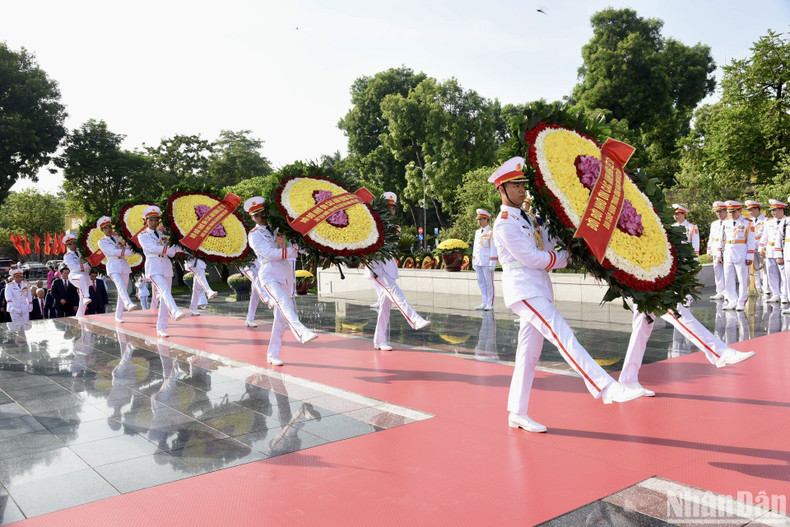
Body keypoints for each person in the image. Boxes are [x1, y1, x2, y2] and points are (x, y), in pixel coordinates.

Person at [489, 157, 644, 434]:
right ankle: (605, 386)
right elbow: (532, 258)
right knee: (563, 334)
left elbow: (547, 243)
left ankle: (517, 412)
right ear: (501, 188)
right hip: (524, 290)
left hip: (538, 290)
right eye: (516, 185)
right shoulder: (503, 224)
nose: (523, 189)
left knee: (528, 355)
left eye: (524, 184)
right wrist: (567, 257)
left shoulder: (527, 217)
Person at [620, 303, 755, 395]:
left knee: (642, 328)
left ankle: (629, 378)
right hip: (642, 280)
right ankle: (719, 352)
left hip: (647, 277)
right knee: (676, 313)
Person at [244, 196, 318, 366]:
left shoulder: (279, 229)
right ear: (252, 217)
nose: (260, 217)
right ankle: (301, 331)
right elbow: (270, 253)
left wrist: (310, 247)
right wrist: (291, 252)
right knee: (284, 303)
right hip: (269, 274)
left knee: (280, 318)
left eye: (262, 213)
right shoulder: (254, 235)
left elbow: (295, 245)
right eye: (256, 215)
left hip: (285, 275)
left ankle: (272, 354)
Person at [364, 192, 431, 351]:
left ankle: (379, 340)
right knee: (396, 292)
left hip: (387, 267)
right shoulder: (373, 224)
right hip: (377, 268)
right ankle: (414, 319)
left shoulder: (392, 227)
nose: (391, 211)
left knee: (385, 307)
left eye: (393, 208)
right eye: (388, 208)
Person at [138, 205, 187, 337]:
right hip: (153, 266)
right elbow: (153, 248)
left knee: (166, 296)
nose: (154, 223)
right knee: (164, 289)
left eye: (156, 220)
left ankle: (161, 327)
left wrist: (184, 248)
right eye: (151, 220)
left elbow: (171, 253)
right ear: (146, 221)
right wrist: (170, 250)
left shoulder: (163, 235)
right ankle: (175, 310)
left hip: (166, 265)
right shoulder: (143, 236)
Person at [96, 216, 139, 322]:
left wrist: (131, 248)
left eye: (110, 227)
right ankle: (128, 303)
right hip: (113, 265)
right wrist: (128, 252)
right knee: (120, 285)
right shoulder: (102, 241)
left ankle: (118, 315)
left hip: (123, 265)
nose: (109, 229)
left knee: (122, 289)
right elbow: (113, 251)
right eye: (105, 228)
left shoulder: (118, 238)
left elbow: (126, 247)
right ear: (102, 230)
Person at [718, 200, 756, 310]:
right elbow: (722, 240)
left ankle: (741, 301)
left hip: (741, 254)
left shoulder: (747, 223)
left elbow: (751, 241)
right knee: (728, 278)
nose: (731, 214)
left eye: (734, 211)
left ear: (740, 211)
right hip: (728, 254)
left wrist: (750, 256)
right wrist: (719, 254)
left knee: (743, 280)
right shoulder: (725, 223)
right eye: (730, 212)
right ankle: (732, 300)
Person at [760, 200, 787, 303]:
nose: (773, 213)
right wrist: (761, 248)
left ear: (781, 210)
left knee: (784, 274)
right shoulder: (769, 222)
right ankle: (775, 294)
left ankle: (784, 295)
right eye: (772, 210)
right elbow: (764, 236)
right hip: (770, 250)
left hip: (782, 250)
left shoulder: (787, 221)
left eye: (775, 210)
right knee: (772, 273)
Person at [472, 208, 497, 310]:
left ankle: (490, 303)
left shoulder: (491, 232)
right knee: (481, 282)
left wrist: (492, 262)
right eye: (478, 219)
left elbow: (493, 248)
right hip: (478, 261)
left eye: (481, 219)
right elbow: (475, 246)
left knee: (489, 283)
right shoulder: (478, 232)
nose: (479, 221)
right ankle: (484, 301)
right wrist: (474, 260)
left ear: (486, 219)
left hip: (487, 261)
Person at [62, 232, 93, 316]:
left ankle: (79, 315)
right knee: (81, 278)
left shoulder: (81, 252)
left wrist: (92, 263)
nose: (73, 245)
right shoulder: (67, 256)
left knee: (82, 300)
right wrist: (87, 265)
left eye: (74, 243)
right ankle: (86, 296)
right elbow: (74, 267)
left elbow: (88, 264)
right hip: (74, 275)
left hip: (85, 275)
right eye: (70, 244)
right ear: (67, 246)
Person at [745, 200, 767, 294]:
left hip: (762, 247)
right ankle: (757, 287)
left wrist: (764, 247)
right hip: (752, 248)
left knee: (765, 269)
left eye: (752, 210)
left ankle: (767, 288)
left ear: (757, 209)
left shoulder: (766, 220)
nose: (750, 212)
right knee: (754, 269)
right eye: (749, 210)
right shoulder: (749, 222)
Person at [707, 201, 728, 300]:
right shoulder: (714, 223)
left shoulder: (729, 222)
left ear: (726, 211)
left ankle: (727, 292)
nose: (719, 214)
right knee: (718, 271)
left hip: (726, 250)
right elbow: (711, 237)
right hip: (715, 250)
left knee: (727, 272)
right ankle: (720, 291)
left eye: (721, 211)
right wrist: (709, 250)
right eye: (717, 212)